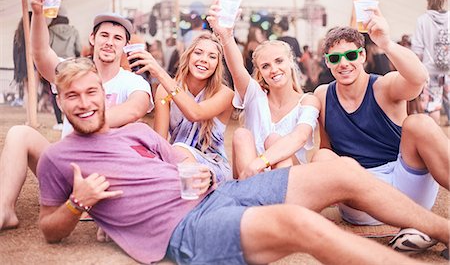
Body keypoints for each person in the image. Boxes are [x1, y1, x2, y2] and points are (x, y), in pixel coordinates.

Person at [36, 56, 450, 265]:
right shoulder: (58, 159)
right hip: (184, 230)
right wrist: (79, 202)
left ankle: (444, 231)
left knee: (339, 170)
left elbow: (176, 164)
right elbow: (50, 229)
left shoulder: (138, 132)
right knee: (300, 223)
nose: (86, 103)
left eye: (92, 92)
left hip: (223, 193)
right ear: (60, 99)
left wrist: (191, 171)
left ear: (103, 93)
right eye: (73, 95)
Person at [0, 0, 153, 231]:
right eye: (104, 35)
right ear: (92, 38)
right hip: (65, 167)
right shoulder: (72, 71)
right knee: (19, 133)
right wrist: (39, 15)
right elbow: (40, 54)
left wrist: (86, 125)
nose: (109, 42)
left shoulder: (133, 82)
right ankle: (4, 209)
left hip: (106, 174)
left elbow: (135, 110)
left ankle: (99, 208)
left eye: (117, 38)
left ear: (125, 45)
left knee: (136, 129)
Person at [313, 6, 450, 251]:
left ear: (363, 56)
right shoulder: (323, 95)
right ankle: (417, 229)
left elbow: (418, 79)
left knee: (420, 123)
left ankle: (414, 227)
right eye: (335, 58)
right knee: (322, 156)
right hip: (362, 194)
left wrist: (386, 43)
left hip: (406, 183)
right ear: (327, 63)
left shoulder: (384, 87)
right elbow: (326, 149)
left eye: (351, 56)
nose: (343, 63)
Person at [207, 4, 320, 179]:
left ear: (291, 61)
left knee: (274, 140)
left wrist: (259, 163)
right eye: (266, 66)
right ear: (260, 72)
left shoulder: (308, 101)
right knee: (241, 134)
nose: (274, 69)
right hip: (251, 175)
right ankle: (253, 194)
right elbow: (237, 69)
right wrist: (226, 36)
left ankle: (272, 197)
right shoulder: (254, 95)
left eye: (279, 61)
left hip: (289, 179)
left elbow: (300, 137)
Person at [137, 33, 234, 182]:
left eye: (212, 56)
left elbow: (195, 113)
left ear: (218, 65)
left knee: (178, 152)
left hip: (213, 169)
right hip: (175, 162)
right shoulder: (164, 92)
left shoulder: (225, 94)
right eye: (198, 52)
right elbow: (160, 141)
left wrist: (160, 74)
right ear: (188, 56)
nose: (204, 59)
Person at [411, 0, 449, 125]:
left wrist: (417, 68)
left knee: (433, 106)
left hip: (430, 70)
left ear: (428, 0)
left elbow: (418, 49)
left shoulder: (422, 20)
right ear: (443, 0)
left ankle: (435, 138)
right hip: (449, 70)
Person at [48, 6, 82, 130]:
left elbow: (47, 48)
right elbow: (79, 48)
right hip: (70, 63)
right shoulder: (74, 31)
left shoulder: (50, 30)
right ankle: (71, 118)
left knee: (55, 92)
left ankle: (59, 121)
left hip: (54, 63)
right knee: (71, 90)